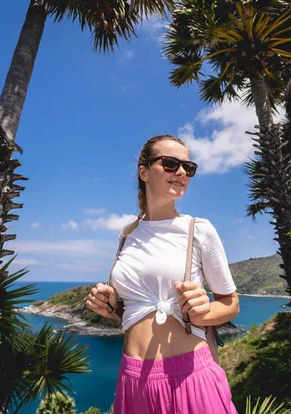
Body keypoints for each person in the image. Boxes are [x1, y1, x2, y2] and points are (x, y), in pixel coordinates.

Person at [86, 135, 239, 414]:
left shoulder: (198, 229)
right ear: (143, 172)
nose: (181, 172)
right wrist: (112, 307)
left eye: (188, 167)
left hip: (189, 377)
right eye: (170, 164)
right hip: (132, 379)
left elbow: (230, 302)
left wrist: (204, 310)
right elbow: (138, 309)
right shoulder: (127, 235)